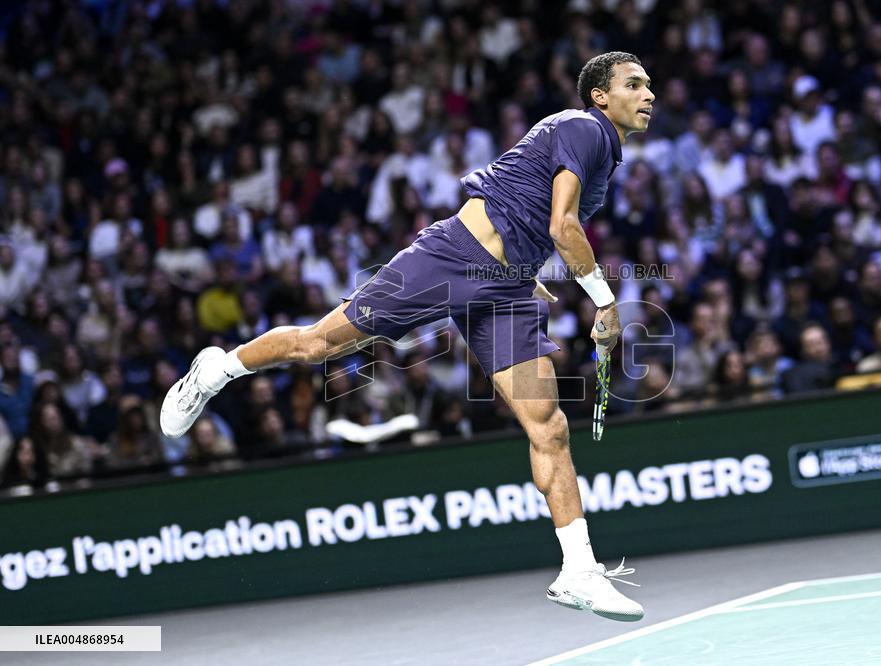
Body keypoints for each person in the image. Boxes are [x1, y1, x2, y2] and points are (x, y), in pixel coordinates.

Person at [161, 52, 652, 621]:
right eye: (634, 85)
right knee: (319, 344)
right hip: (452, 259)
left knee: (550, 425)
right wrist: (606, 305)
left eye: (649, 86)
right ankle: (217, 369)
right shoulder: (583, 128)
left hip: (507, 285)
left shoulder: (602, 156)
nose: (649, 95)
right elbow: (561, 227)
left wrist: (528, 276)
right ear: (599, 95)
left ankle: (579, 571)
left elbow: (535, 221)